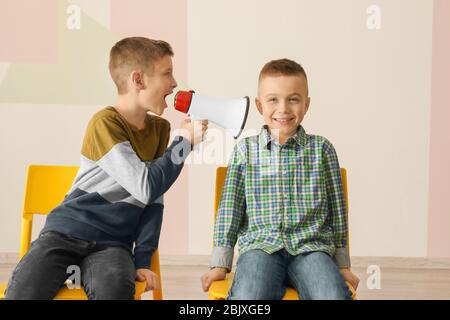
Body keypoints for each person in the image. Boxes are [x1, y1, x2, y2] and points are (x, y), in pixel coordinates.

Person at [4, 37, 208, 300]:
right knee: (23, 293)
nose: (175, 83)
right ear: (138, 80)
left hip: (113, 245)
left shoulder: (160, 130)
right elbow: (144, 186)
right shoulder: (105, 123)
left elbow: (153, 199)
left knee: (115, 291)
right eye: (166, 73)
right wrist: (185, 143)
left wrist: (143, 259)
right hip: (65, 235)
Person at [201, 58, 359, 300]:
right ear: (259, 105)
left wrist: (342, 265)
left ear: (306, 105)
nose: (283, 109)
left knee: (332, 295)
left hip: (311, 249)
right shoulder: (246, 150)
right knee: (249, 297)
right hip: (260, 249)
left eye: (293, 99)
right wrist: (219, 264)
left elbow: (337, 212)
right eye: (273, 99)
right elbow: (229, 211)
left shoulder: (322, 150)